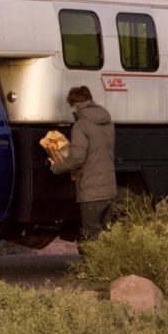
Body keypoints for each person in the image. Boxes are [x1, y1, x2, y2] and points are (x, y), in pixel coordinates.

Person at [49, 86, 117, 239]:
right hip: (109, 190)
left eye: (71, 106)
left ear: (75, 106)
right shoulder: (107, 122)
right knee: (106, 236)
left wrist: (56, 167)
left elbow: (78, 158)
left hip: (92, 192)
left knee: (92, 236)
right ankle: (111, 263)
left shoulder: (81, 125)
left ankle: (95, 264)